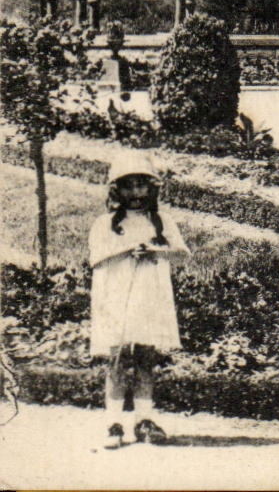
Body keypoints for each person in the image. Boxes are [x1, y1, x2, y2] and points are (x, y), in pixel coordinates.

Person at [90, 150, 189, 448]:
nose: (136, 193)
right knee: (118, 359)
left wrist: (155, 250)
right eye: (128, 186)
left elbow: (182, 253)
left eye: (141, 185)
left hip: (149, 296)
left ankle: (144, 418)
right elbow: (96, 257)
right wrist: (126, 250)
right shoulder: (105, 223)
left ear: (152, 188)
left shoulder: (162, 222)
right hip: (117, 296)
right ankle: (114, 423)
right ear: (116, 190)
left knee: (146, 357)